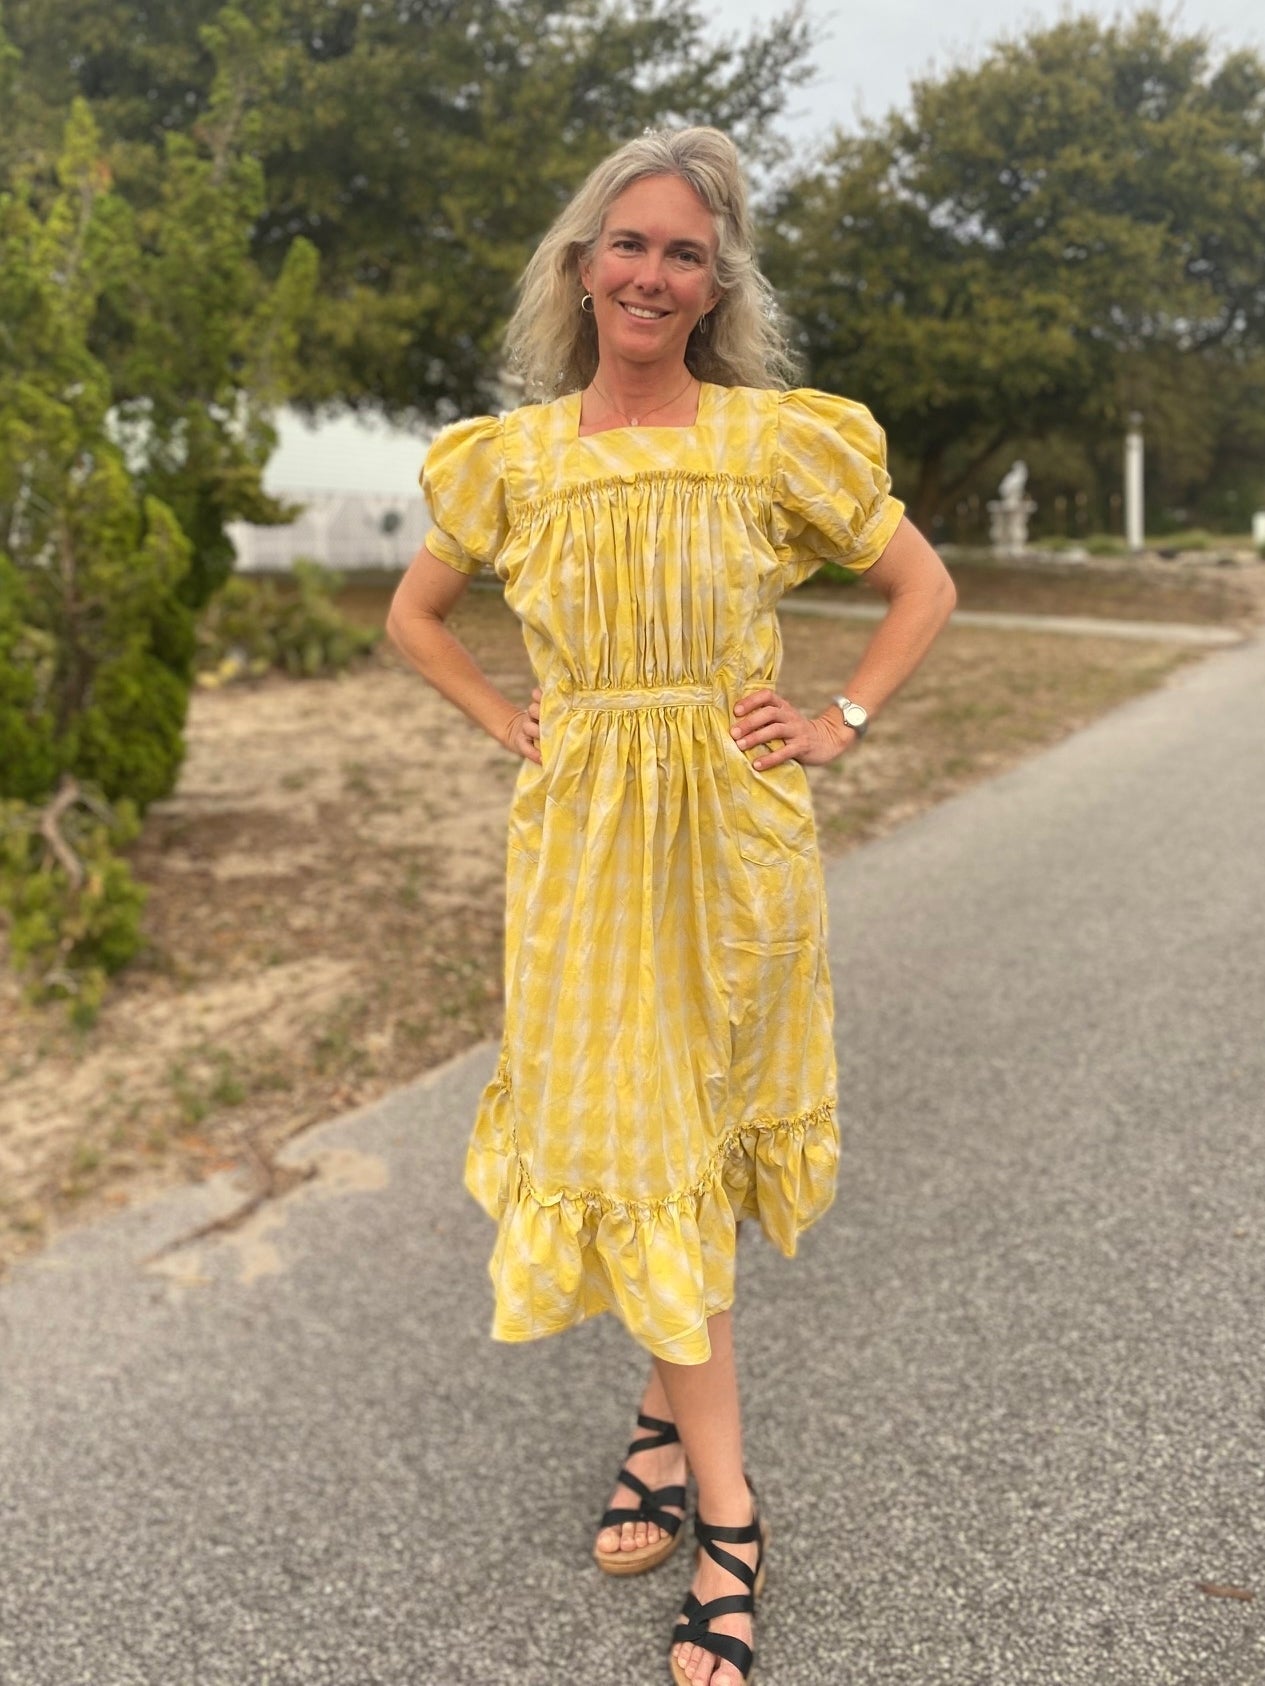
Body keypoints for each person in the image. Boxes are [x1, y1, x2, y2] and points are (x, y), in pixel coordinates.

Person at [387, 126, 955, 1686]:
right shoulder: (505, 462)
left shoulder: (776, 443)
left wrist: (840, 719)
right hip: (580, 855)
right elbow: (414, 614)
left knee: (684, 1145)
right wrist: (508, 717)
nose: (651, 272)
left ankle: (694, 1467)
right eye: (627, 243)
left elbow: (925, 587)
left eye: (685, 253)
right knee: (635, 1144)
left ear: (715, 286)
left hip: (734, 845)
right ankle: (719, 1492)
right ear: (581, 265)